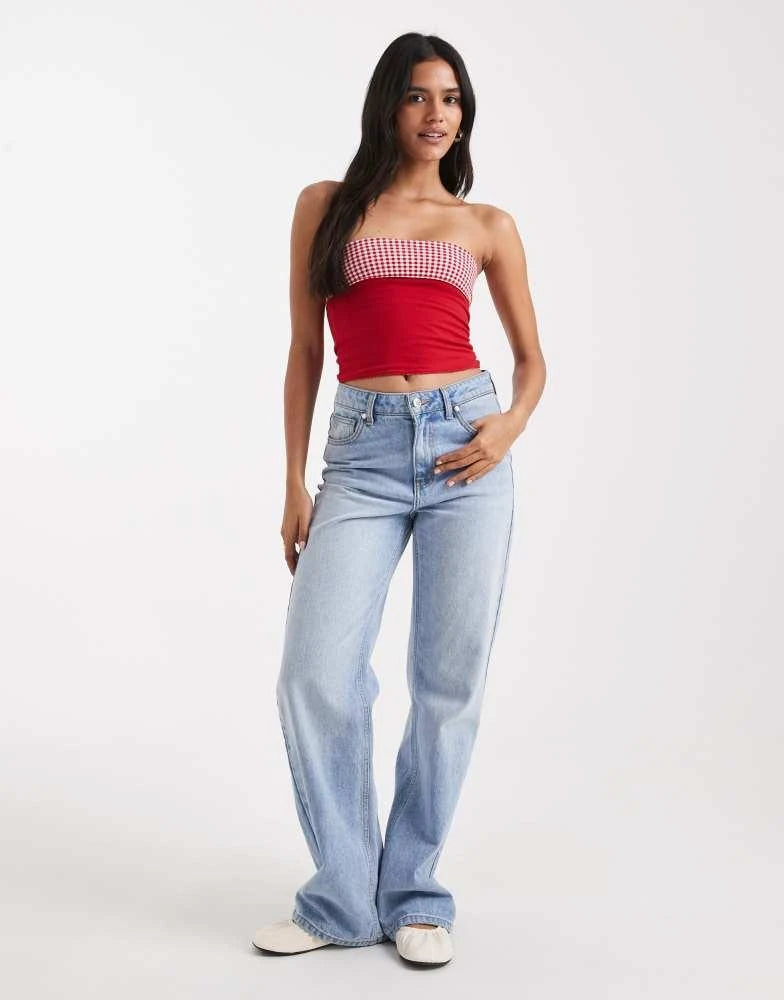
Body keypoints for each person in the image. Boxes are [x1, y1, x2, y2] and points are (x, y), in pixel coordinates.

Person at [253, 32, 546, 966]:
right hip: (363, 452)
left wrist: (507, 429)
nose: (437, 114)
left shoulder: (486, 224)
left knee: (446, 683)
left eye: (451, 99)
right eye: (419, 95)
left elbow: (532, 363)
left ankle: (415, 893)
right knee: (315, 673)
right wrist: (294, 482)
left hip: (468, 447)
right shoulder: (325, 206)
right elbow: (305, 351)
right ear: (388, 104)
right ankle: (342, 898)